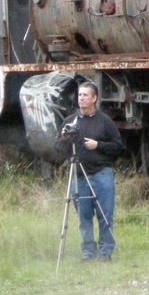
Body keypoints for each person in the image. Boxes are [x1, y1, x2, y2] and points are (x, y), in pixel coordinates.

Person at [55, 81, 123, 262]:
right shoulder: (70, 121)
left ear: (94, 98)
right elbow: (58, 149)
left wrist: (97, 145)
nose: (81, 98)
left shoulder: (104, 121)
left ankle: (106, 251)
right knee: (83, 216)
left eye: (85, 95)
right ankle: (88, 252)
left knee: (104, 214)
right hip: (78, 176)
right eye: (79, 95)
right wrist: (63, 139)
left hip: (101, 174)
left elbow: (118, 146)